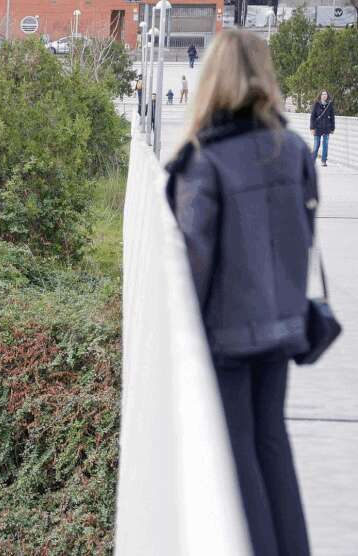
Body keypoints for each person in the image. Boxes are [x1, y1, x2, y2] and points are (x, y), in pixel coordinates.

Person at [166, 31, 313, 556]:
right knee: (272, 442)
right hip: (281, 324)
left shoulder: (206, 160)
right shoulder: (292, 148)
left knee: (239, 452)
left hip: (227, 333)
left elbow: (193, 263)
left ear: (211, 78)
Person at [309, 90, 335, 167]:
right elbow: (312, 117)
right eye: (323, 94)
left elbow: (332, 117)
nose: (324, 95)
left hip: (326, 128)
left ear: (327, 96)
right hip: (317, 127)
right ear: (320, 95)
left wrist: (332, 128)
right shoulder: (316, 104)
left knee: (325, 144)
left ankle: (324, 161)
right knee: (316, 144)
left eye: (326, 94)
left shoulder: (329, 104)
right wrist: (312, 128)